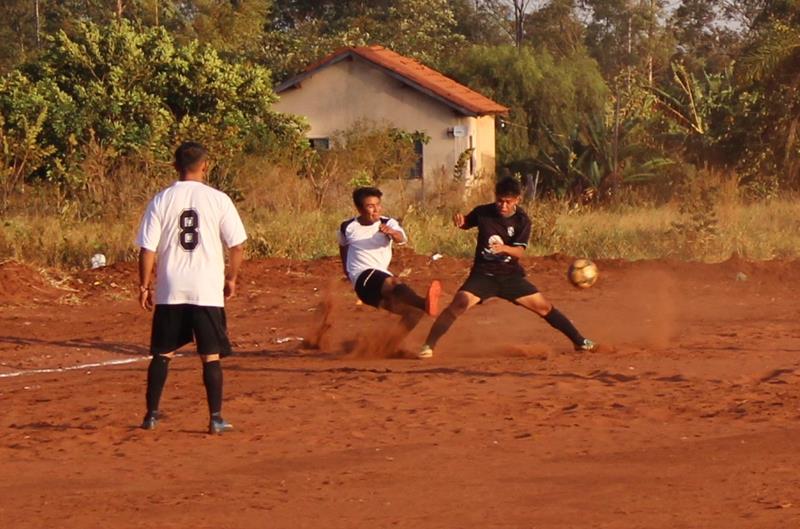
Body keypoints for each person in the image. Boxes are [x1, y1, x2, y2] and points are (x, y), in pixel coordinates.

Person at [417, 177, 596, 359]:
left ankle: (579, 341)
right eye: (500, 201)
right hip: (483, 275)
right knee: (458, 304)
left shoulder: (522, 220)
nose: (502, 205)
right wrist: (459, 220)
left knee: (544, 307)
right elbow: (465, 223)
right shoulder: (483, 212)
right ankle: (428, 345)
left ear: (517, 200)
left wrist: (503, 249)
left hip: (510, 276)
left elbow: (519, 252)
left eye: (507, 202)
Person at [136, 141, 247, 434]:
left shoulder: (161, 199)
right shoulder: (218, 199)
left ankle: (150, 415)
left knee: (162, 353)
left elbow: (147, 249)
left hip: (171, 286)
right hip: (206, 287)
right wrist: (231, 278)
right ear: (205, 166)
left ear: (175, 166)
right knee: (210, 355)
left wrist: (144, 285)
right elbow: (237, 245)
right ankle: (215, 417)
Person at [338, 187, 441, 344]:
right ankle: (424, 303)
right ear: (359, 208)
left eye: (378, 204)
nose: (376, 209)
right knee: (393, 282)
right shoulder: (347, 227)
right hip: (363, 278)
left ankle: (388, 346)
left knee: (413, 313)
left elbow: (401, 239)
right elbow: (343, 245)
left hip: (376, 287)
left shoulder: (388, 223)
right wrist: (346, 269)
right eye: (370, 206)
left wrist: (391, 233)